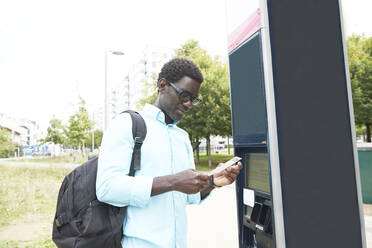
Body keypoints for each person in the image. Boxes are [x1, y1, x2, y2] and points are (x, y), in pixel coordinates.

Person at [96, 57, 242, 248]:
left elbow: (188, 196)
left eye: (193, 99)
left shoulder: (181, 137)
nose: (189, 104)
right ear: (162, 85)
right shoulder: (127, 125)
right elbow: (107, 188)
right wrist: (173, 182)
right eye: (184, 95)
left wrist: (213, 182)